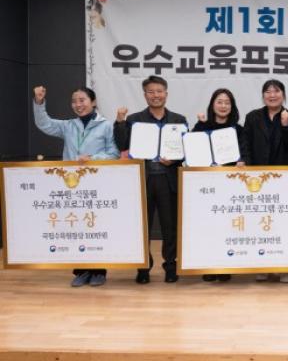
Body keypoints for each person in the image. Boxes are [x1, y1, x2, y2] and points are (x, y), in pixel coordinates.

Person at [32, 85, 119, 287]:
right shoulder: (68, 125)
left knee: (95, 226)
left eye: (82, 100)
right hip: (72, 185)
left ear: (93, 102)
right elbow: (44, 123)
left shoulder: (106, 125)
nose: (78, 105)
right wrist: (39, 102)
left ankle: (98, 271)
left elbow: (113, 153)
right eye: (74, 101)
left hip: (96, 184)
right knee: (76, 227)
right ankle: (80, 270)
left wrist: (93, 159)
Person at [113, 75, 187, 284]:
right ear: (145, 95)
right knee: (141, 226)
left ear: (166, 94)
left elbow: (186, 149)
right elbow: (122, 144)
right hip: (143, 179)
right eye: (151, 92)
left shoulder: (178, 120)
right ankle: (143, 268)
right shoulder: (134, 119)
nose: (156, 95)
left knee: (169, 226)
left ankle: (170, 266)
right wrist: (120, 122)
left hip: (168, 179)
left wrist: (174, 159)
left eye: (159, 91)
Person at [242, 79, 288, 283]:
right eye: (268, 91)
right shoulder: (252, 117)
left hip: (283, 178)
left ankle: (285, 267)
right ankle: (262, 265)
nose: (272, 95)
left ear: (283, 95)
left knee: (283, 224)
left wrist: (285, 126)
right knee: (259, 223)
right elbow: (246, 143)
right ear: (263, 96)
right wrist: (246, 166)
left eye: (276, 91)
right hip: (257, 179)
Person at [192, 88, 250, 283]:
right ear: (212, 105)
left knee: (228, 227)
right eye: (219, 102)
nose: (223, 106)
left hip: (229, 186)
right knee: (207, 226)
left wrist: (242, 161)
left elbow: (245, 153)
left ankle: (225, 265)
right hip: (206, 185)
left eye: (227, 102)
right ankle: (209, 265)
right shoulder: (202, 126)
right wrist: (200, 126)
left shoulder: (238, 130)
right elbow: (192, 151)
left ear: (232, 107)